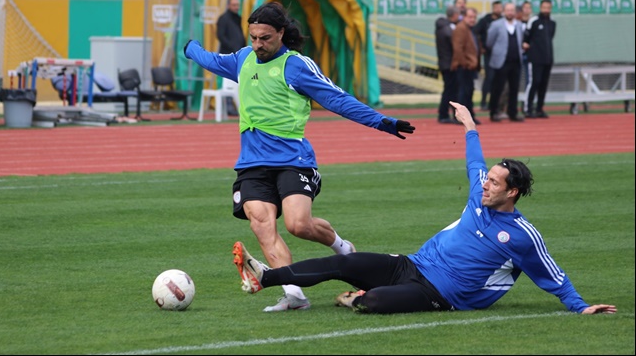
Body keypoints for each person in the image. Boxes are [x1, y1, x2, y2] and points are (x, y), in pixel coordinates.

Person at [232, 101, 618, 316]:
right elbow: (474, 160)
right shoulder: (479, 192)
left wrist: (581, 307)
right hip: (411, 264)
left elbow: (551, 274)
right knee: (346, 264)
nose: (485, 183)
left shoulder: (521, 234)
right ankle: (264, 278)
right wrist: (468, 123)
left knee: (374, 302)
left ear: (512, 193)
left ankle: (360, 295)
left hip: (441, 293)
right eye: (488, 178)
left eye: (495, 182)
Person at [184, 2, 416, 312]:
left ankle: (341, 247)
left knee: (298, 224)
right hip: (252, 164)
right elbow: (211, 60)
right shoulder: (244, 59)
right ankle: (294, 294)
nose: (257, 45)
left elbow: (337, 99)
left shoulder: (296, 66)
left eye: (265, 38)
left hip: (294, 160)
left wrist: (382, 122)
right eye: (253, 37)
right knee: (261, 223)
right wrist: (191, 48)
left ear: (281, 33)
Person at [486, 2, 526, 122]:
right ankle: (493, 112)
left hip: (516, 62)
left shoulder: (519, 25)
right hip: (501, 62)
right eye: (508, 10)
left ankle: (512, 113)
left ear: (515, 12)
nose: (510, 12)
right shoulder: (496, 25)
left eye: (512, 10)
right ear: (504, 11)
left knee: (514, 89)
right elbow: (489, 42)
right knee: (497, 88)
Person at [523, 0, 556, 119]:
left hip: (547, 59)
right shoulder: (534, 21)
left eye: (548, 7)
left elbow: (551, 37)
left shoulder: (552, 23)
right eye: (544, 7)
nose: (546, 10)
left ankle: (539, 108)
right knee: (534, 82)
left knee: (543, 84)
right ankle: (527, 108)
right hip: (535, 58)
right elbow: (526, 38)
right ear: (540, 7)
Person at [216, 0, 246, 117]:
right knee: (227, 79)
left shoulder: (238, 18)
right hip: (227, 54)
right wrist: (232, 47)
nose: (236, 7)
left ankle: (238, 104)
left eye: (238, 5)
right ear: (228, 5)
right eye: (234, 5)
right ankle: (228, 104)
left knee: (238, 78)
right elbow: (221, 36)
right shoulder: (223, 19)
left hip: (238, 54)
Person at [451, 7, 481, 125]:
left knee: (468, 92)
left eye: (474, 17)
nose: (472, 20)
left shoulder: (469, 29)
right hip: (464, 67)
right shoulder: (461, 28)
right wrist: (465, 63)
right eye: (470, 17)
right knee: (463, 92)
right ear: (464, 17)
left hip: (469, 67)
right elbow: (458, 48)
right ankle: (462, 117)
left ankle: (469, 116)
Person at [474, 0, 503, 111]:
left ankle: (497, 104)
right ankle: (484, 102)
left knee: (500, 80)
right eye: (496, 7)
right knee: (489, 78)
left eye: (500, 7)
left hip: (501, 54)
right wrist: (481, 47)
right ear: (493, 8)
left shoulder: (503, 21)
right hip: (489, 54)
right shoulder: (485, 20)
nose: (498, 10)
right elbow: (476, 33)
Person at [435, 5, 460, 124]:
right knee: (450, 90)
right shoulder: (447, 28)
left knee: (450, 90)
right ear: (454, 15)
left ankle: (445, 113)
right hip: (449, 64)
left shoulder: (443, 27)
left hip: (446, 62)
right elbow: (453, 41)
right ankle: (443, 114)